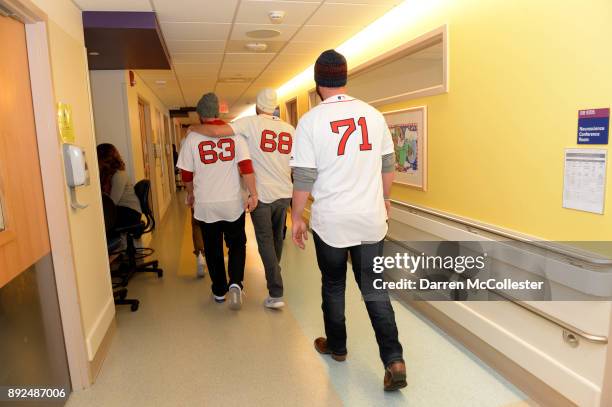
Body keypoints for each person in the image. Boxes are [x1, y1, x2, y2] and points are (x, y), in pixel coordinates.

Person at [289, 50, 407, 391]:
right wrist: (384, 199)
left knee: (333, 285)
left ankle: (337, 347)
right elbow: (388, 165)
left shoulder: (311, 122)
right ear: (344, 78)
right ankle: (394, 360)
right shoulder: (373, 115)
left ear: (316, 84)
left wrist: (296, 217)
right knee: (374, 289)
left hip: (332, 222)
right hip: (371, 220)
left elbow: (304, 178)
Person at [187, 88, 294, 309]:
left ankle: (265, 290)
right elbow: (253, 166)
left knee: (255, 243)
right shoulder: (289, 129)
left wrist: (193, 128)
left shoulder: (248, 124)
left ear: (257, 107)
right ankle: (248, 279)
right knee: (267, 240)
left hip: (248, 196)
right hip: (278, 194)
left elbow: (214, 136)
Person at [177, 92, 258, 310]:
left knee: (212, 248)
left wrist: (190, 193)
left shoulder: (191, 138)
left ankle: (219, 290)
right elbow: (247, 168)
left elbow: (186, 174)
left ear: (201, 115)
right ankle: (236, 283)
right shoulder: (236, 136)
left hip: (206, 204)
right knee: (237, 244)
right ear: (218, 112)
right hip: (232, 202)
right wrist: (253, 194)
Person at [97, 143, 142, 228]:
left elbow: (112, 202)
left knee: (101, 221)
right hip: (122, 209)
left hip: (131, 213)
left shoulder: (119, 175)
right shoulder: (109, 175)